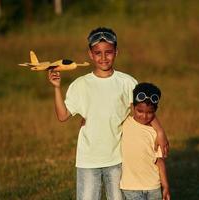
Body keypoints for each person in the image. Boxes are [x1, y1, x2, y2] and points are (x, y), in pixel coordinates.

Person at [48, 27, 169, 200]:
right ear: (90, 54)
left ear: (116, 52)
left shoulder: (127, 83)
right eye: (98, 53)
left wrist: (160, 131)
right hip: (88, 160)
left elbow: (144, 111)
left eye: (108, 52)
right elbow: (62, 116)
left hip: (117, 159)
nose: (103, 57)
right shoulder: (80, 84)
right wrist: (57, 88)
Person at [121, 82, 170, 200]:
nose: (144, 116)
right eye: (140, 111)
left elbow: (159, 161)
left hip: (153, 187)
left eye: (149, 112)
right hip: (130, 187)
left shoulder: (155, 133)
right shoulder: (124, 123)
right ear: (132, 107)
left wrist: (165, 185)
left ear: (155, 111)